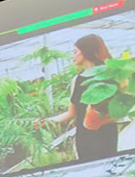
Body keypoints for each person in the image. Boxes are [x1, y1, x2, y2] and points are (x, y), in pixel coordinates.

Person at [38, 34, 120, 162]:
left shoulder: (110, 74)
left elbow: (118, 112)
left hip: (105, 135)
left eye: (75, 52)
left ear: (86, 52)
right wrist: (45, 121)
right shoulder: (76, 80)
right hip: (84, 137)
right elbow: (71, 114)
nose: (72, 56)